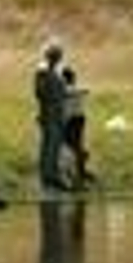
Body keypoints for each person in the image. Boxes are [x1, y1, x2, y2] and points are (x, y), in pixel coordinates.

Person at [35, 40, 68, 191]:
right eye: (57, 55)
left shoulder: (54, 72)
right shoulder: (43, 72)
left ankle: (51, 176)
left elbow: (59, 93)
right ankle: (48, 177)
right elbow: (41, 94)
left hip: (56, 113)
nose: (58, 58)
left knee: (53, 146)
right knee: (49, 146)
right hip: (50, 114)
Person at [61, 65, 92, 188]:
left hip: (71, 120)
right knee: (76, 143)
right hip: (80, 119)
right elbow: (85, 91)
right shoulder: (76, 89)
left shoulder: (66, 90)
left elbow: (69, 94)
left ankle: (81, 161)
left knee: (71, 143)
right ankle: (81, 165)